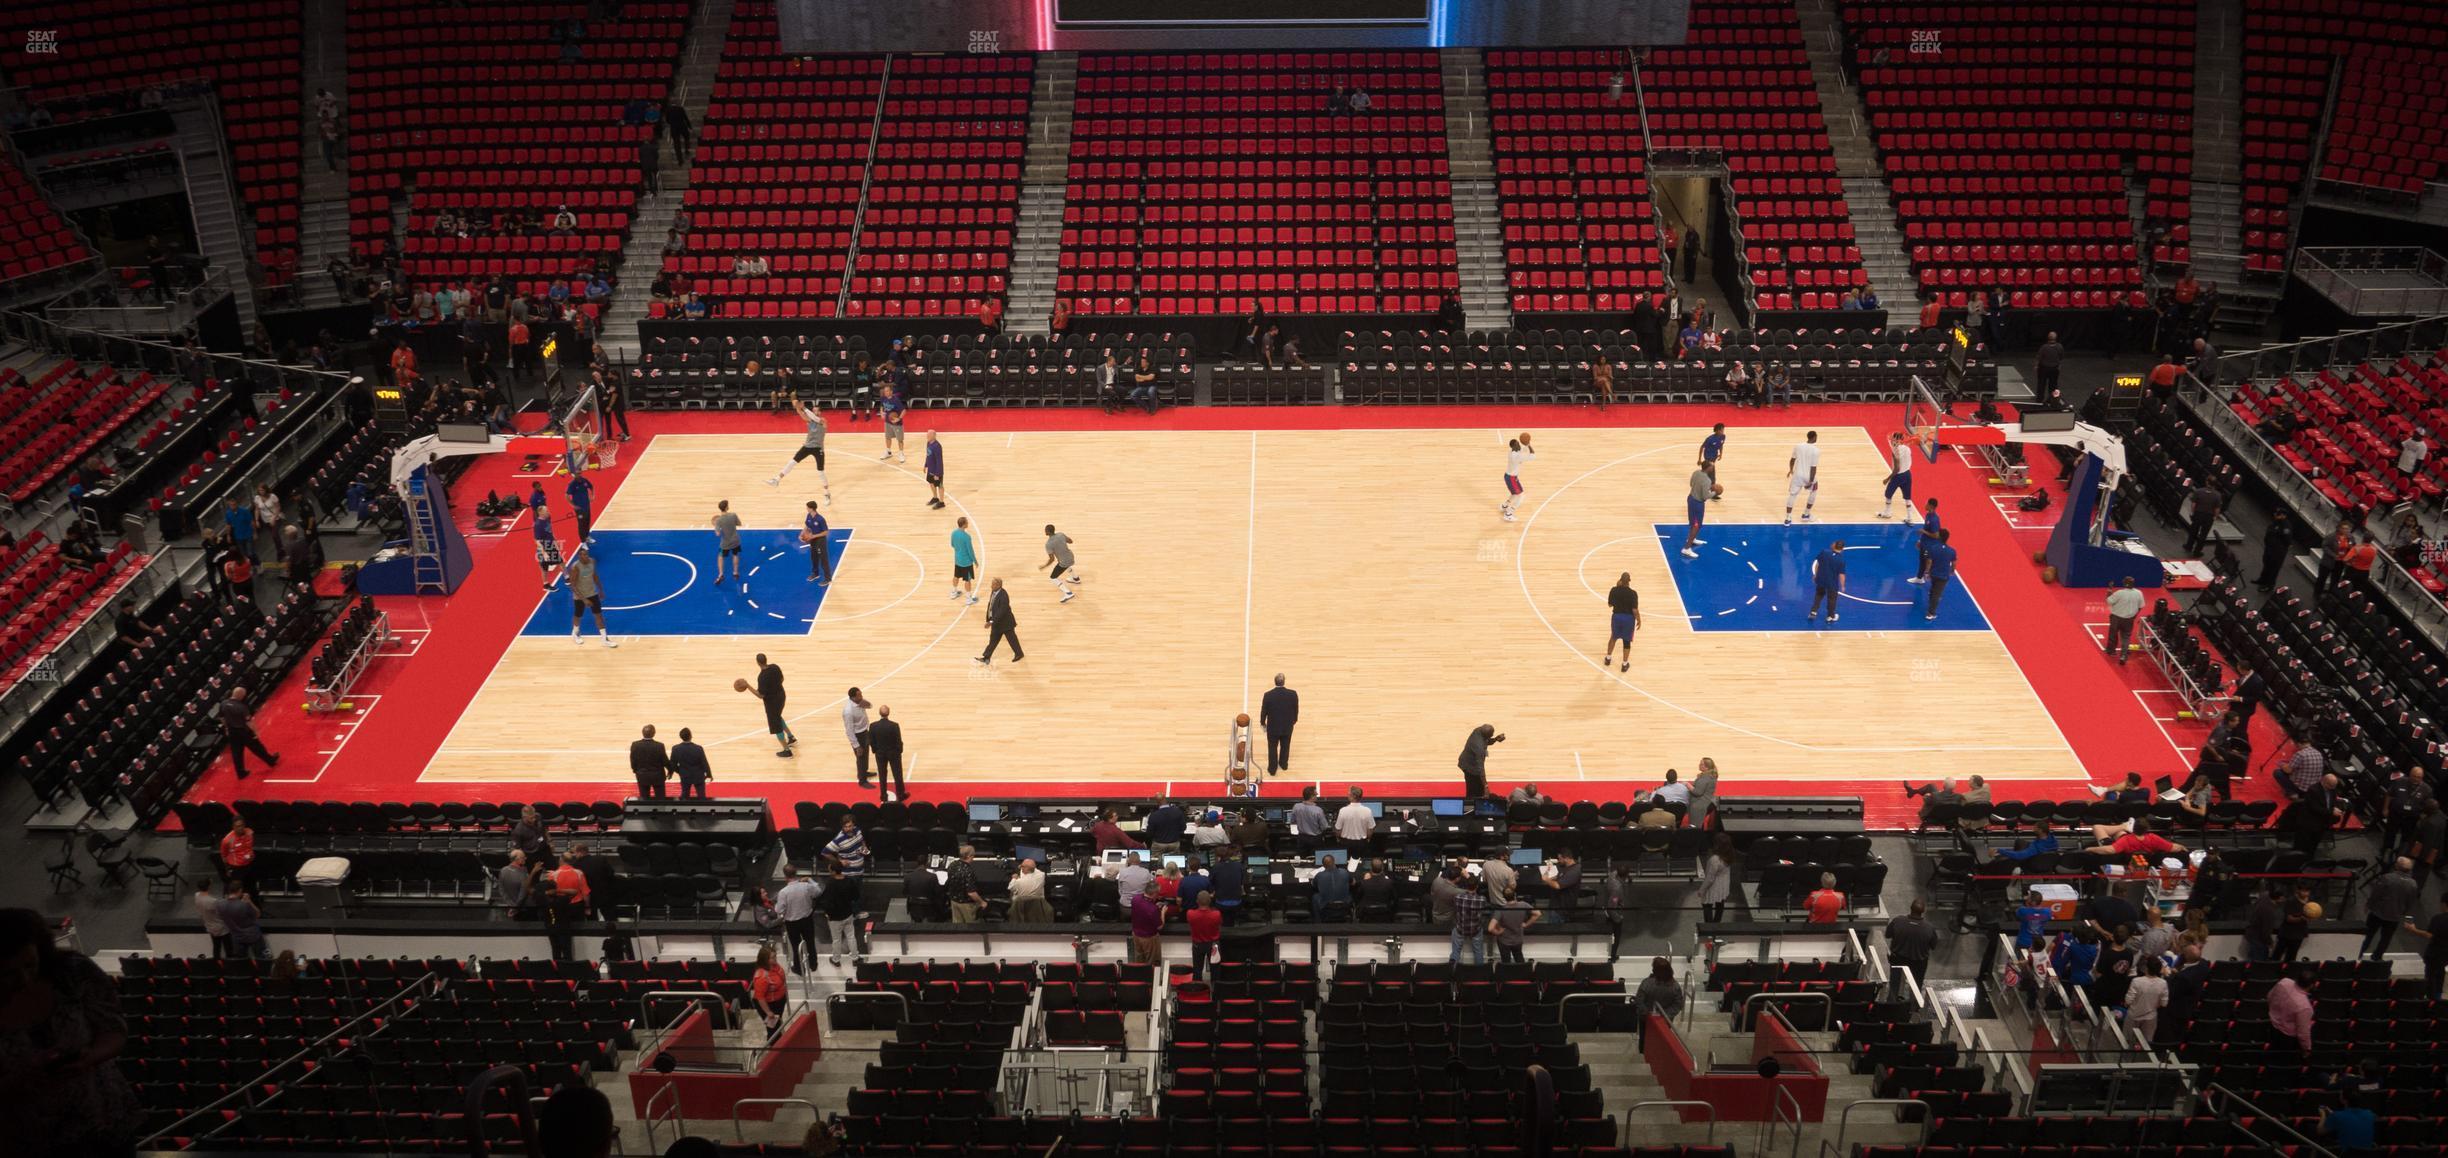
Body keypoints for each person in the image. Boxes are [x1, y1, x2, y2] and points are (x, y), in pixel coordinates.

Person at [0, 907, 140, 1158]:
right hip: (27, 1137)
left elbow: (114, 1029)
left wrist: (90, 1056)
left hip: (103, 1120)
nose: (23, 980)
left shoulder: (74, 973)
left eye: (30, 965)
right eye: (7, 973)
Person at [766, 396, 834, 503]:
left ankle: (827, 494)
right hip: (807, 446)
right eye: (814, 411)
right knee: (792, 462)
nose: (815, 412)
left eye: (816, 411)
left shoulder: (823, 421)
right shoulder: (809, 421)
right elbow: (802, 414)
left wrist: (804, 408)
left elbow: (814, 418)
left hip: (818, 449)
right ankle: (776, 479)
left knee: (820, 472)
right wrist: (797, 406)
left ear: (820, 412)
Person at [2363, 857, 2419, 960]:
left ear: (2397, 866)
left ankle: (2360, 952)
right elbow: (2410, 902)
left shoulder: (2387, 878)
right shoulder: (2413, 884)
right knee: (2385, 939)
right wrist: (2403, 912)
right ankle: (2377, 957)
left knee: (2368, 935)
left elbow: (2376, 894)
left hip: (2378, 913)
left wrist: (2369, 905)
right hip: (2394, 916)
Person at [562, 544, 617, 646]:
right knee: (578, 616)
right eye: (583, 555)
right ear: (579, 556)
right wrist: (583, 599)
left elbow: (594, 575)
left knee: (599, 615)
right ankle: (575, 633)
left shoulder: (592, 561)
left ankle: (604, 639)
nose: (586, 557)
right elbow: (572, 585)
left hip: (592, 592)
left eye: (587, 554)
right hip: (580, 595)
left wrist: (600, 589)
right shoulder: (575, 567)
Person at [544, 855, 590, 962]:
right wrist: (587, 907)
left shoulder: (553, 875)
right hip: (577, 907)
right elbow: (585, 893)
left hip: (559, 908)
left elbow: (550, 893)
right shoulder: (579, 873)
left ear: (561, 861)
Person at [750, 653, 797, 758]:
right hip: (781, 696)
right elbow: (782, 679)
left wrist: (748, 686)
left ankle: (787, 751)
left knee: (776, 726)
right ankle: (791, 737)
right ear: (766, 659)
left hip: (772, 703)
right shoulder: (775, 667)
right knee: (778, 717)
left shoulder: (762, 677)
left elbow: (760, 695)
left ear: (757, 663)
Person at [2403, 894, 2448, 998]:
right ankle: (2437, 998)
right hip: (2446, 955)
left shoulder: (2438, 918)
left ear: (2444, 904)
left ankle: (2429, 999)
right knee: (2440, 975)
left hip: (2434, 953)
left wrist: (2413, 929)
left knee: (2430, 976)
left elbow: (2429, 935)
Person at [818, 859, 864, 962]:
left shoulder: (830, 884)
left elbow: (826, 901)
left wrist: (827, 913)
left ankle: (836, 959)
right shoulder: (849, 881)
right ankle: (855, 957)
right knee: (851, 936)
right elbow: (856, 896)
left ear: (833, 871)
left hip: (835, 917)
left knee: (836, 939)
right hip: (848, 913)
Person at [1885, 899, 1938, 982]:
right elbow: (1933, 946)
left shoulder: (1898, 921)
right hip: (1919, 964)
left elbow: (1887, 935)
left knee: (1895, 982)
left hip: (1898, 960)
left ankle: (1893, 994)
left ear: (1911, 908)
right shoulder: (1929, 928)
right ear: (1923, 911)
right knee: (1916, 985)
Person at [1633, 956, 1682, 1044]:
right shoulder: (1675, 987)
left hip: (1646, 1019)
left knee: (1645, 1041)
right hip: (1665, 1020)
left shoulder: (1647, 983)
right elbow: (1677, 1005)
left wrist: (1648, 1013)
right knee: (1662, 1041)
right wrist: (1665, 1015)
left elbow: (1639, 1001)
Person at [2266, 966, 2315, 1052]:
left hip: (2270, 1025)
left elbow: (2269, 996)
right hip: (2287, 1039)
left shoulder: (2284, 982)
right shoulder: (2304, 1007)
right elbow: (2303, 1034)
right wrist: (2306, 1049)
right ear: (2311, 985)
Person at [977, 577, 1023, 664]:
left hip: (1006, 623)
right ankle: (986, 657)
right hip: (996, 623)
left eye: (993, 584)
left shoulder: (1004, 596)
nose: (991, 586)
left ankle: (1019, 654)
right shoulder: (994, 591)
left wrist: (991, 622)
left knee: (1012, 640)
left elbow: (1001, 612)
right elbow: (991, 605)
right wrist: (989, 619)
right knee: (993, 641)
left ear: (998, 585)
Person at [1260, 673, 1298, 776]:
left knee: (1272, 747)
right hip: (1287, 726)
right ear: (1284, 681)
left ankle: (1272, 769)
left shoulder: (1268, 695)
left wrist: (1263, 723)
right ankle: (1283, 764)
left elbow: (1264, 711)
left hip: (1273, 727)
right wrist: (1294, 720)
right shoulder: (1293, 694)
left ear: (1274, 681)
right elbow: (1295, 709)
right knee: (1285, 746)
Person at [1490, 889, 1538, 963]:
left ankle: (1508, 974)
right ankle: (1521, 973)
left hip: (1504, 941)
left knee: (1506, 962)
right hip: (1518, 940)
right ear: (1515, 895)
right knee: (1519, 959)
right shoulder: (1524, 905)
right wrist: (1526, 924)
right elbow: (1537, 914)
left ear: (1504, 897)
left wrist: (1498, 932)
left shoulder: (1500, 910)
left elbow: (1490, 928)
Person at [2103, 575, 2143, 663]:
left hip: (2116, 618)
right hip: (2129, 619)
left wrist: (2110, 589)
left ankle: (2111, 651)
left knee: (2113, 634)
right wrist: (2134, 615)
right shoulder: (2139, 593)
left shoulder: (2119, 593)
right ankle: (2123, 656)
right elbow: (2140, 606)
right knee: (2126, 637)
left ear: (2124, 583)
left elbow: (2109, 601)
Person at [750, 945, 788, 1036]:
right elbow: (760, 997)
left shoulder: (775, 966)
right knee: (772, 1029)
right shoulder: (761, 976)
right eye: (772, 957)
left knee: (777, 1024)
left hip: (779, 1000)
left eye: (775, 956)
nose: (775, 959)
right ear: (765, 960)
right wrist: (768, 1012)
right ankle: (774, 1045)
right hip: (769, 1005)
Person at [1877, 431, 1916, 520]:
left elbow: (1897, 469)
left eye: (1893, 439)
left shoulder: (1895, 452)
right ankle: (1910, 517)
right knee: (1907, 497)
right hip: (1907, 475)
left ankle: (1887, 512)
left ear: (1897, 440)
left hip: (1898, 476)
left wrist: (1887, 479)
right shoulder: (1907, 448)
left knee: (1888, 494)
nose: (1891, 441)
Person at [1458, 724, 1502, 801]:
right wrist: (1486, 786)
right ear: (1487, 735)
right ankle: (1471, 803)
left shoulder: (1478, 730)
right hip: (1470, 767)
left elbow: (1486, 741)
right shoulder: (1479, 748)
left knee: (1477, 788)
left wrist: (1495, 739)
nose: (1493, 735)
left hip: (1466, 760)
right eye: (1492, 735)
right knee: (1474, 790)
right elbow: (1480, 769)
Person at [1185, 891, 1223, 980]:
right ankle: (1215, 990)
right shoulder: (1216, 914)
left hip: (1197, 945)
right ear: (1210, 901)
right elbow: (1219, 924)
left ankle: (1198, 990)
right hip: (1213, 945)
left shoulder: (1190, 914)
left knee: (1197, 970)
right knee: (1215, 970)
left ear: (1197, 901)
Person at [1678, 463, 1713, 562]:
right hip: (1697, 504)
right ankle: (1686, 549)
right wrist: (1715, 493)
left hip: (1691, 499)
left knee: (1695, 524)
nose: (1713, 468)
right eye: (1711, 467)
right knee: (1696, 525)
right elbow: (1705, 496)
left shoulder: (1696, 472)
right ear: (1708, 468)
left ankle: (1692, 540)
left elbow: (1691, 484)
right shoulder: (1707, 480)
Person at [1807, 538, 1846, 624]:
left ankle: (1813, 612)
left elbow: (1817, 563)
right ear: (1842, 549)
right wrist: (1842, 585)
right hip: (1832, 583)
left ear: (1834, 545)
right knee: (1832, 600)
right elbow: (1841, 575)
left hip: (1821, 579)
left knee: (1818, 595)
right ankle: (1830, 616)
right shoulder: (1841, 560)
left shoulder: (1824, 552)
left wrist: (1816, 575)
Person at [1784, 430, 1820, 524]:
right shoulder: (1816, 450)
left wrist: (1791, 470)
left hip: (1797, 475)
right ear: (1814, 437)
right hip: (1808, 476)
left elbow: (1792, 460)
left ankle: (1788, 519)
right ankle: (1806, 514)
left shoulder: (1798, 446)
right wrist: (1811, 482)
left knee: (1792, 495)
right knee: (1814, 490)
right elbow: (1813, 468)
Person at [1450, 874, 1487, 964]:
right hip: (1475, 929)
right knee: (1478, 952)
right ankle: (1479, 975)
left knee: (1456, 951)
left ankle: (1452, 973)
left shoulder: (1458, 897)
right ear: (1477, 886)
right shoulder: (1482, 899)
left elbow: (1455, 910)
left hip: (1460, 928)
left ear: (1466, 886)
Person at [1697, 832, 1734, 922]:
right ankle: (1716, 924)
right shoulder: (1729, 855)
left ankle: (1709, 927)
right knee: (1720, 904)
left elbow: (1710, 878)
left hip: (1714, 887)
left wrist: (1702, 890)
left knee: (1706, 905)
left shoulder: (1715, 859)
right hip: (1723, 885)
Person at [1922, 529, 1958, 621]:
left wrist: (1926, 572)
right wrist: (1952, 571)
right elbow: (1954, 563)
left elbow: (1929, 561)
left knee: (1933, 589)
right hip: (1943, 576)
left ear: (1939, 537)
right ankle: (1931, 613)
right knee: (1937, 594)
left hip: (1933, 574)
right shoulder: (1952, 551)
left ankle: (1932, 600)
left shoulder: (1933, 548)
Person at [627, 724, 671, 799]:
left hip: (642, 776)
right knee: (660, 800)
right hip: (657, 776)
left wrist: (636, 770)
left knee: (644, 799)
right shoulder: (659, 746)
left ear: (642, 733)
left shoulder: (635, 745)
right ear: (654, 733)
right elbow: (665, 761)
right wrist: (670, 770)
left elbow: (633, 760)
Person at [2243, 885, 2283, 963]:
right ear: (2280, 898)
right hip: (2259, 939)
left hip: (2253, 935)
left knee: (2253, 961)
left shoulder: (2264, 898)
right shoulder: (2269, 911)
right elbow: (2266, 930)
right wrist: (2270, 942)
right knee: (2258, 963)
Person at [1500, 433, 1535, 522]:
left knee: (1514, 494)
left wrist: (1525, 444)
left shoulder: (1512, 451)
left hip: (1509, 476)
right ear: (1515, 447)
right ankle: (1509, 513)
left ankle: (1504, 506)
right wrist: (1529, 445)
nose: (1519, 444)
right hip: (1511, 478)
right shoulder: (1517, 457)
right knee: (1521, 496)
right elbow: (1533, 456)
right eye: (1518, 444)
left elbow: (1521, 448)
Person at [709, 500, 745, 587]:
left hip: (725, 543)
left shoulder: (719, 520)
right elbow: (739, 524)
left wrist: (716, 527)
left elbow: (717, 534)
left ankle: (721, 574)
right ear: (726, 507)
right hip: (735, 540)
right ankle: (735, 572)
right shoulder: (733, 515)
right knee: (735, 555)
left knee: (720, 557)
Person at [670, 727, 712, 799]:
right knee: (701, 796)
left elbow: (673, 764)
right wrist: (709, 774)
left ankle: (683, 809)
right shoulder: (698, 748)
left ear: (681, 737)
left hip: (685, 775)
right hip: (698, 775)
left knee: (685, 795)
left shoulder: (676, 748)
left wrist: (679, 771)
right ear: (690, 736)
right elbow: (704, 763)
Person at [2182, 482, 2224, 555]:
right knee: (2203, 535)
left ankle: (2189, 546)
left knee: (2193, 531)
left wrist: (2192, 512)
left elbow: (2193, 504)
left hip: (2198, 514)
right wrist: (2215, 517)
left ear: (2207, 482)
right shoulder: (2218, 495)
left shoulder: (2199, 491)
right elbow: (2217, 509)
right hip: (2208, 517)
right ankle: (2197, 551)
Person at [1128, 881, 1164, 963]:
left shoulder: (1135, 899)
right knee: (1152, 961)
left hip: (1136, 935)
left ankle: (1140, 975)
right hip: (1149, 938)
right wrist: (1162, 912)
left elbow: (1142, 908)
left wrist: (1154, 905)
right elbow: (1160, 926)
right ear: (1154, 893)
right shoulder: (1153, 909)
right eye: (1158, 893)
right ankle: (1151, 976)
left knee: (1139, 959)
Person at [217, 817, 256, 893]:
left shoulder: (250, 832)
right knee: (238, 890)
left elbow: (250, 846)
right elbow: (224, 856)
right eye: (238, 826)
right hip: (237, 869)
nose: (240, 828)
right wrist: (227, 869)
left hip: (249, 864)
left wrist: (251, 855)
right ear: (233, 827)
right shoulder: (227, 840)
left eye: (242, 825)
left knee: (251, 887)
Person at [1334, 787, 1375, 856]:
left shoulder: (1343, 810)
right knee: (1360, 860)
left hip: (1345, 843)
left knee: (1345, 861)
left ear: (1353, 796)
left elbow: (1338, 829)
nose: (1347, 794)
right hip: (1361, 843)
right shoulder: (1367, 811)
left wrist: (1338, 838)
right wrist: (1368, 839)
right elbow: (1370, 829)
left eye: (1349, 793)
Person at [1311, 854, 1353, 921]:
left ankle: (1318, 922)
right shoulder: (1344, 872)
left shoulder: (1319, 875)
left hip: (1327, 907)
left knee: (1315, 896)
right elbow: (1353, 883)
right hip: (1344, 906)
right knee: (1350, 894)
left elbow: (1313, 885)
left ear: (1323, 865)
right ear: (1334, 862)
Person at [801, 501, 833, 585]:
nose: (806, 509)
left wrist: (814, 536)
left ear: (811, 508)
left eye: (807, 507)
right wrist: (801, 534)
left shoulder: (820, 519)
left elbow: (826, 532)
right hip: (813, 540)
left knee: (823, 560)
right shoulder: (808, 516)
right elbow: (807, 526)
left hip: (820, 541)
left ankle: (828, 578)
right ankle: (815, 574)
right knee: (814, 557)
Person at [1288, 787, 1328, 852]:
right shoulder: (1318, 810)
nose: (1317, 794)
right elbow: (1324, 827)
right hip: (1315, 839)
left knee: (1302, 860)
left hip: (1302, 838)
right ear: (1311, 797)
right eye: (1315, 794)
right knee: (1317, 859)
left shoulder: (1296, 807)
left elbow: (1292, 821)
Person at [877, 383, 907, 463]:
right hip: (887, 422)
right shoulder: (883, 398)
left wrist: (899, 418)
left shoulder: (896, 400)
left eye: (887, 391)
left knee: (900, 439)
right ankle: (888, 452)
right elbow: (881, 405)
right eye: (885, 391)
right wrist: (881, 412)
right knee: (887, 437)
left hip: (896, 423)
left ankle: (901, 453)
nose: (885, 392)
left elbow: (904, 411)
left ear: (891, 391)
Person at [2033, 331, 2064, 395]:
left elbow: (2038, 357)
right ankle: (2052, 400)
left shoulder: (2044, 347)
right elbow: (2061, 357)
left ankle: (2039, 400)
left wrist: (2036, 366)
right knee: (2053, 385)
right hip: (2054, 369)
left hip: (2043, 369)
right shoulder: (2060, 346)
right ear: (2056, 338)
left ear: (2048, 337)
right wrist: (2059, 365)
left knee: (2041, 385)